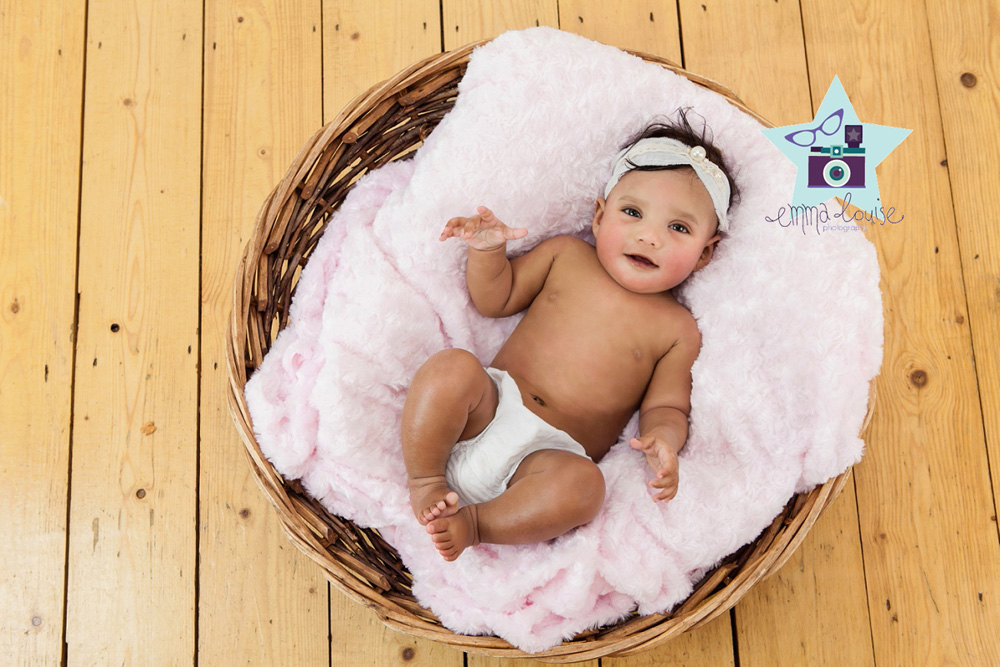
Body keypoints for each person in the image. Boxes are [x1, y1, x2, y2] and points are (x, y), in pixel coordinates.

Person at [400, 113, 739, 561]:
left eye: (678, 228)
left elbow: (667, 405)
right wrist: (487, 252)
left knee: (586, 489)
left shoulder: (677, 329)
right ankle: (425, 478)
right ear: (600, 216)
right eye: (632, 212)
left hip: (548, 460)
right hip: (487, 408)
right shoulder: (566, 256)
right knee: (452, 368)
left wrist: (663, 439)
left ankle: (477, 523)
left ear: (705, 253)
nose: (648, 236)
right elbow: (495, 300)